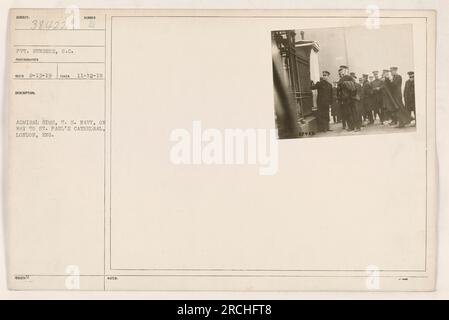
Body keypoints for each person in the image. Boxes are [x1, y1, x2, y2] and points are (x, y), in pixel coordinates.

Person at [337, 65, 359, 131]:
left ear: (346, 70)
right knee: (348, 113)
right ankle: (351, 127)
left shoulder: (350, 78)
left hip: (351, 98)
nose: (341, 72)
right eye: (341, 70)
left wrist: (352, 96)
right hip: (345, 99)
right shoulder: (340, 79)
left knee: (354, 113)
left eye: (343, 70)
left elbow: (354, 87)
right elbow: (339, 90)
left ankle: (357, 127)